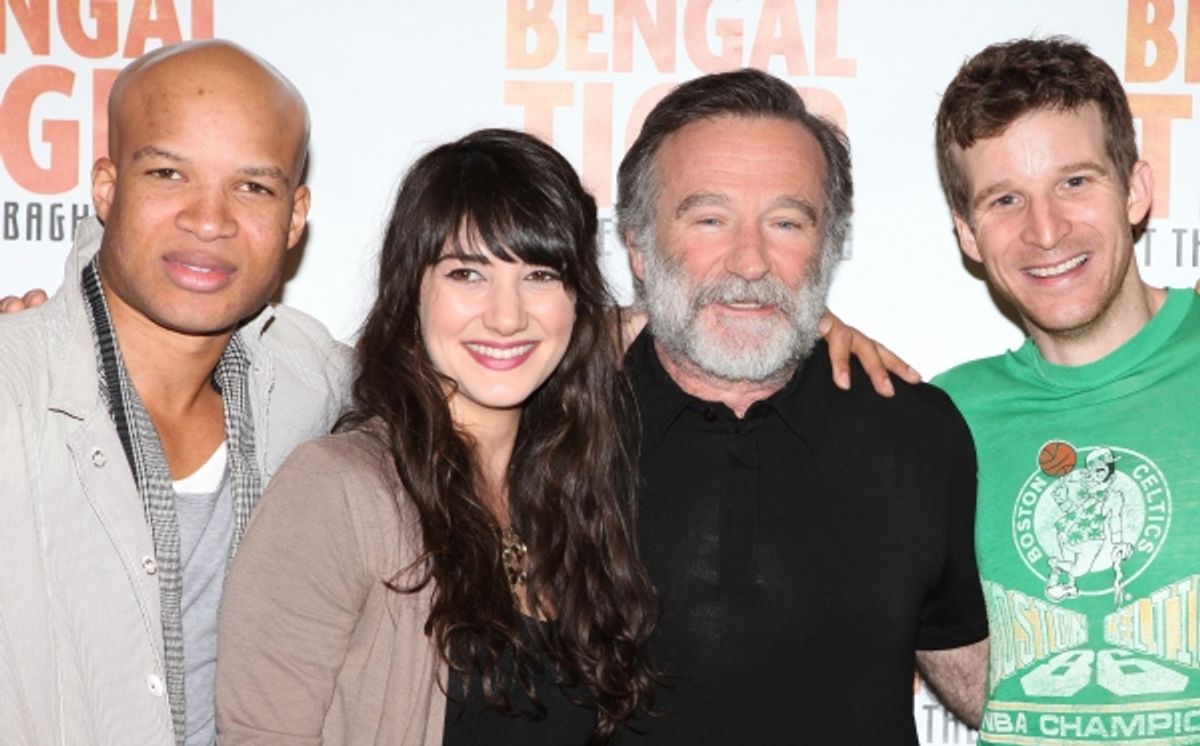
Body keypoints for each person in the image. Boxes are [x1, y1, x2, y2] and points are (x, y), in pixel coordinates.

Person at [216, 129, 659, 744]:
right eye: (467, 273)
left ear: (576, 298)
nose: (507, 316)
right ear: (411, 289)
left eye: (539, 274)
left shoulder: (576, 494)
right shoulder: (339, 492)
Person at [614, 68, 989, 744]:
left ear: (828, 243)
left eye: (787, 221)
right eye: (709, 218)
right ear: (639, 245)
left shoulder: (914, 434)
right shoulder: (544, 429)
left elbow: (991, 691)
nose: (750, 261)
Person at [0, 41, 350, 746]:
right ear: (106, 187)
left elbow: (465, 356)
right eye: (168, 173)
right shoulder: (14, 386)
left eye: (252, 187)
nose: (209, 219)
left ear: (295, 214)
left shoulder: (313, 380)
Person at [932, 37, 1200, 745]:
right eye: (1005, 199)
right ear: (967, 232)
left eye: (1075, 182)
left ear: (1136, 189)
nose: (1045, 230)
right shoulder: (940, 419)